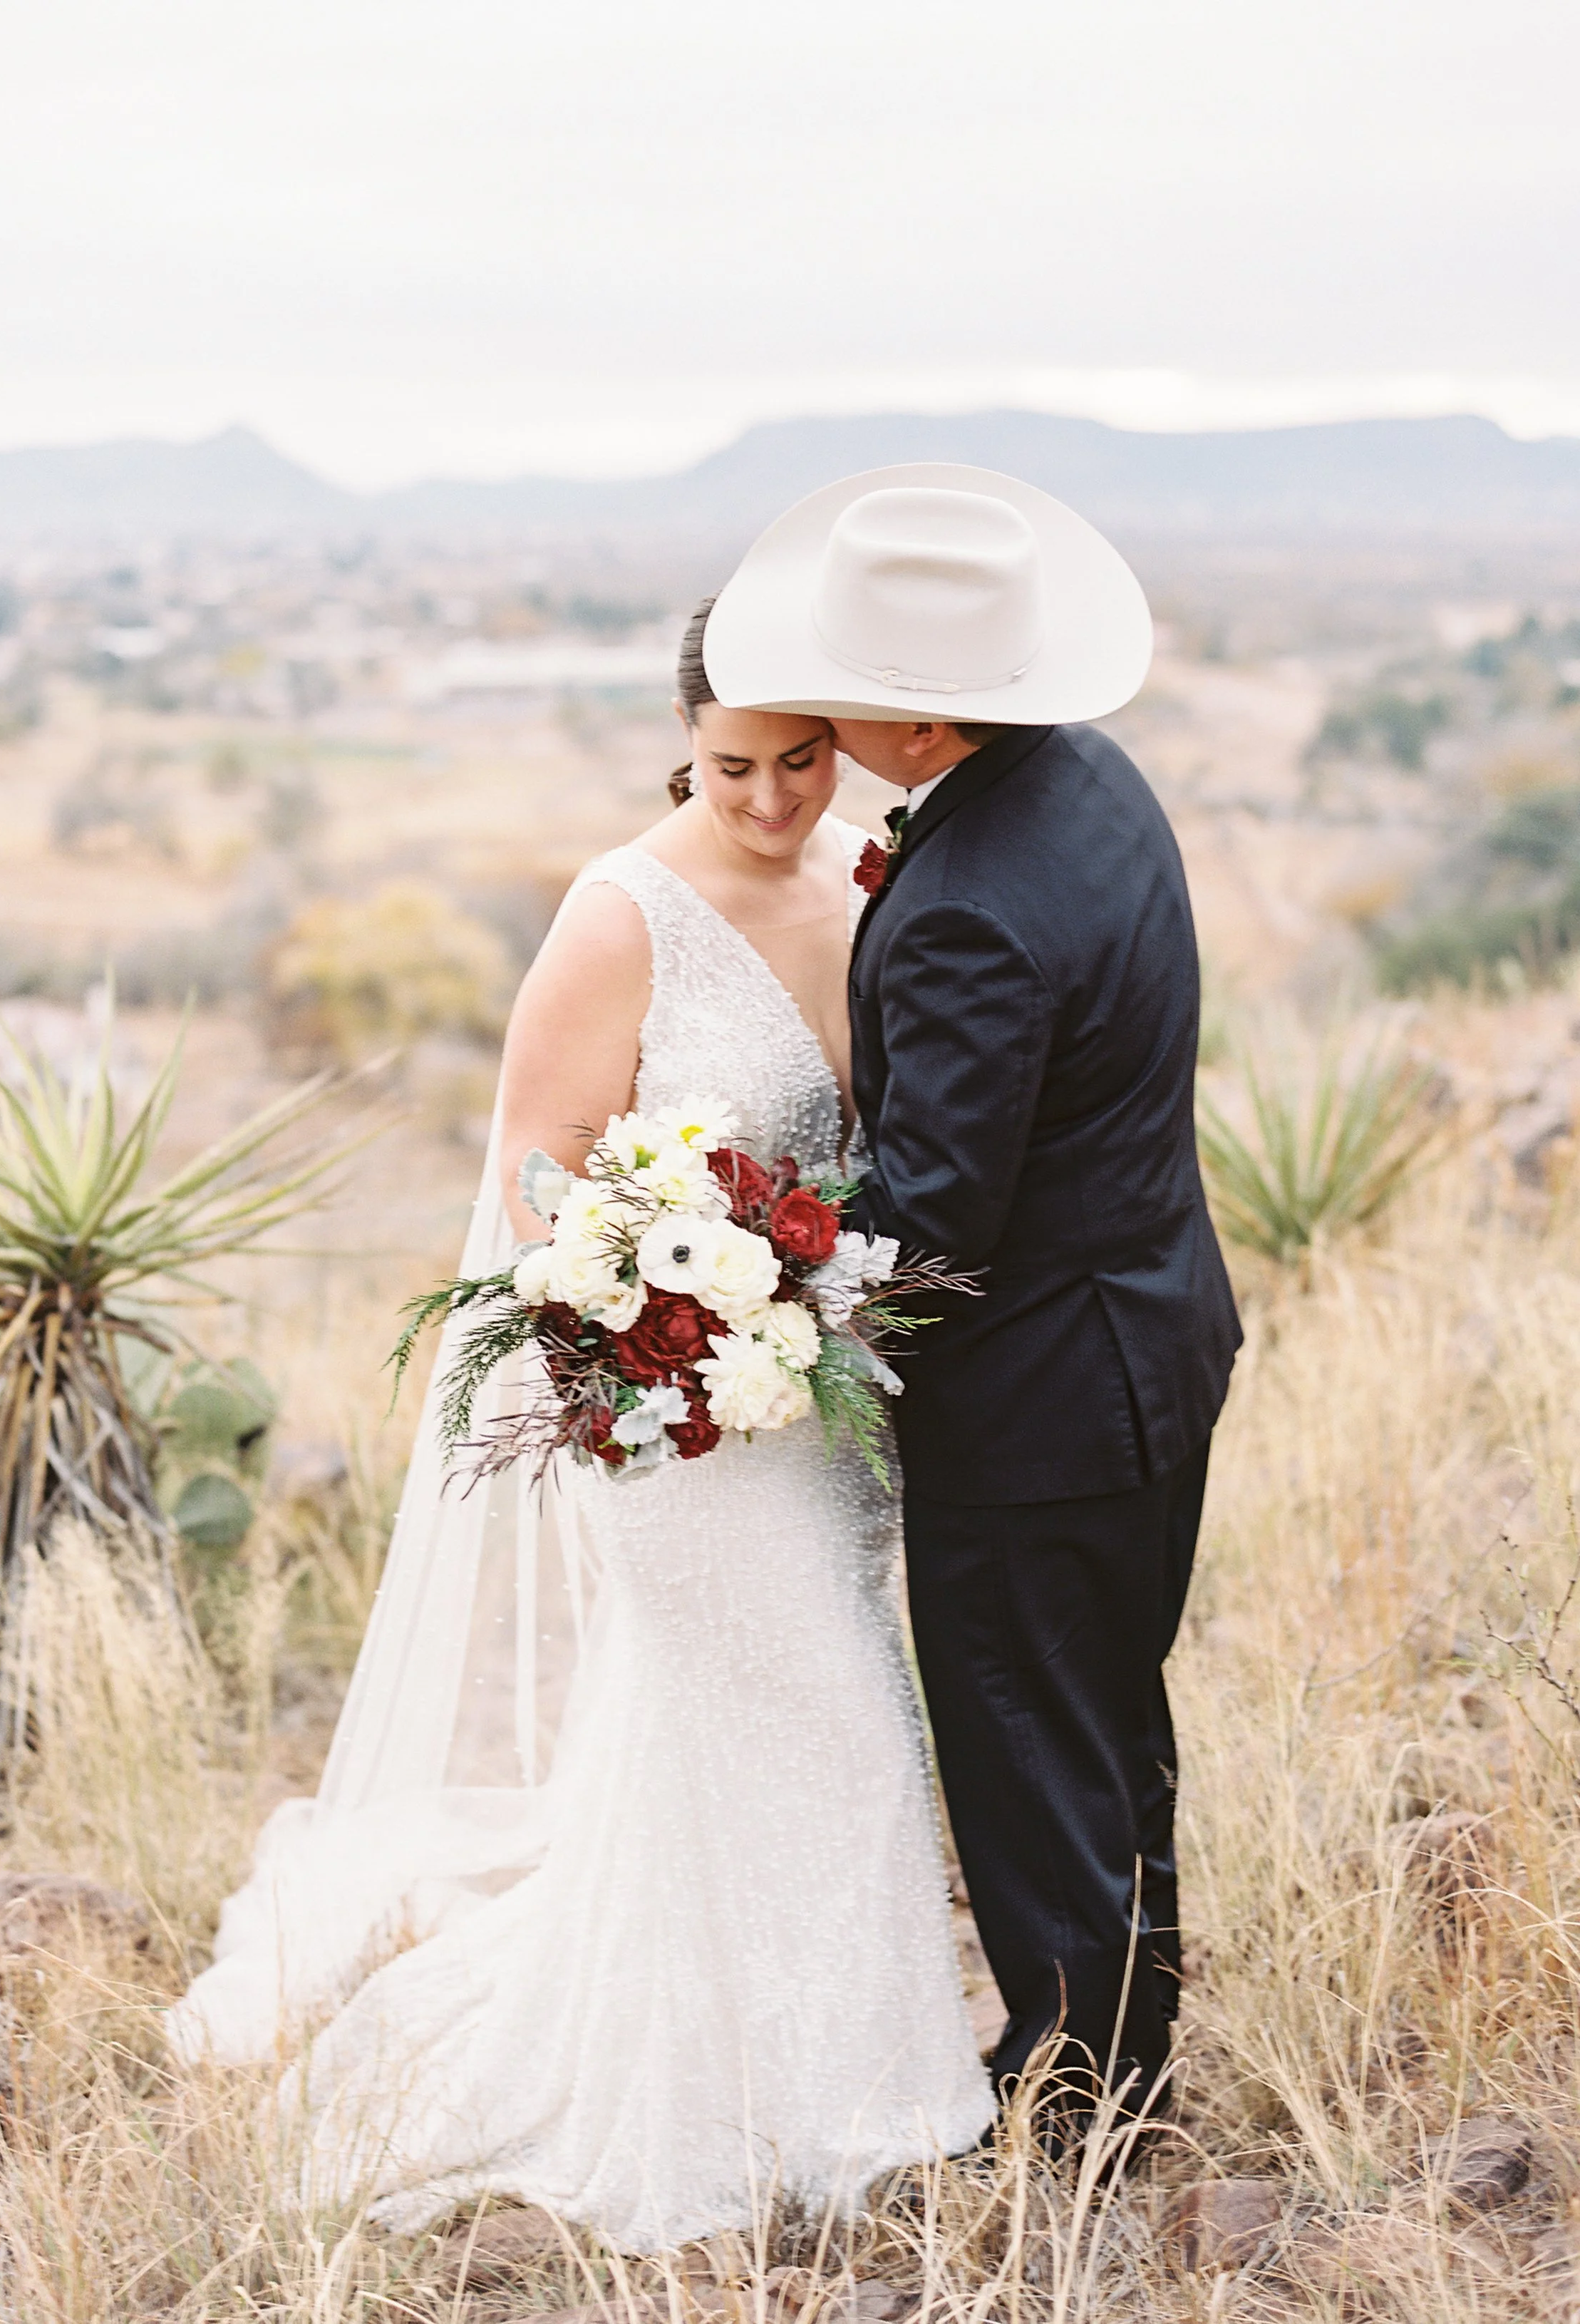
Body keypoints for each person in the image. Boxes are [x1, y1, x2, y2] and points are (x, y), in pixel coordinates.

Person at [169, 604, 993, 2248]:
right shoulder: (622, 916)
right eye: (733, 766)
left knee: (812, 1729)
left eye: (802, 760)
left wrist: (807, 1306)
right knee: (817, 1714)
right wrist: (686, 1319)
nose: (770, 800)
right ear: (681, 742)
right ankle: (773, 2097)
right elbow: (542, 1191)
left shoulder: (863, 880)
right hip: (681, 1417)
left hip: (825, 1414)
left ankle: (825, 2062)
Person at [703, 464, 1241, 2130]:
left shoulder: (968, 914)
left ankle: (1077, 2096)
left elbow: (937, 1217)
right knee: (1103, 1716)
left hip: (1042, 1406)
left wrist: (729, 1253)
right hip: (1154, 1338)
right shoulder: (1088, 781)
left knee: (1026, 1738)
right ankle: (1127, 2040)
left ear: (925, 728)